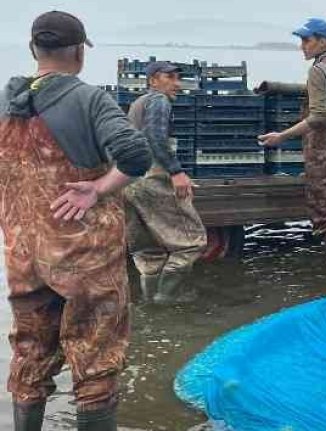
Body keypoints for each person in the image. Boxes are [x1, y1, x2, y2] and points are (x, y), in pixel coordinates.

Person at [0, 11, 153, 430]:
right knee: (96, 360)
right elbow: (137, 157)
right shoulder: (89, 99)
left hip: (24, 257)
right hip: (84, 257)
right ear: (79, 52)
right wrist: (99, 187)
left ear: (34, 49)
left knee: (29, 352)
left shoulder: (5, 102)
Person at [258, 18, 326, 280]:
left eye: (306, 40)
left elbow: (319, 117)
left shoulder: (318, 71)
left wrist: (281, 136)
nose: (302, 46)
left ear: (322, 40)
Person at [124, 62, 207, 304]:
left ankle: (152, 301)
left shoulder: (138, 103)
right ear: (153, 81)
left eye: (178, 78)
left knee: (148, 249)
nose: (177, 83)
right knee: (191, 241)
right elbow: (155, 137)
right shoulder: (158, 100)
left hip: (130, 180)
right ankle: (169, 295)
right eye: (169, 77)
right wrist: (176, 172)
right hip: (152, 177)